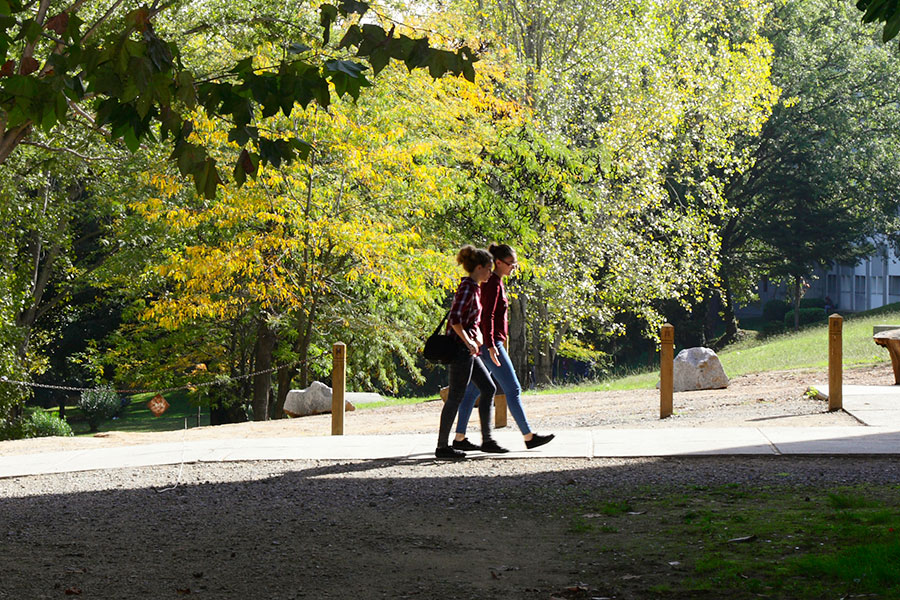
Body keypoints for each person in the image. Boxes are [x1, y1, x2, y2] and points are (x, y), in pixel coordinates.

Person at [452, 244, 554, 452]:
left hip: (487, 343)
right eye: (510, 264)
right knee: (513, 389)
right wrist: (490, 345)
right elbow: (486, 316)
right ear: (498, 263)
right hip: (491, 344)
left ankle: (460, 437)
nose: (513, 268)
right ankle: (528, 436)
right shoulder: (493, 284)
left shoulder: (494, 283)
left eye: (514, 265)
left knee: (473, 391)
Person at [435, 245, 504, 460]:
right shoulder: (467, 288)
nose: (490, 273)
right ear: (479, 267)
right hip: (460, 351)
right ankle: (442, 447)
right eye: (489, 269)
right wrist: (468, 341)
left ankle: (488, 440)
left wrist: (478, 338)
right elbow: (454, 319)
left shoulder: (474, 287)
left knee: (488, 387)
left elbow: (468, 320)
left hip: (469, 350)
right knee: (455, 396)